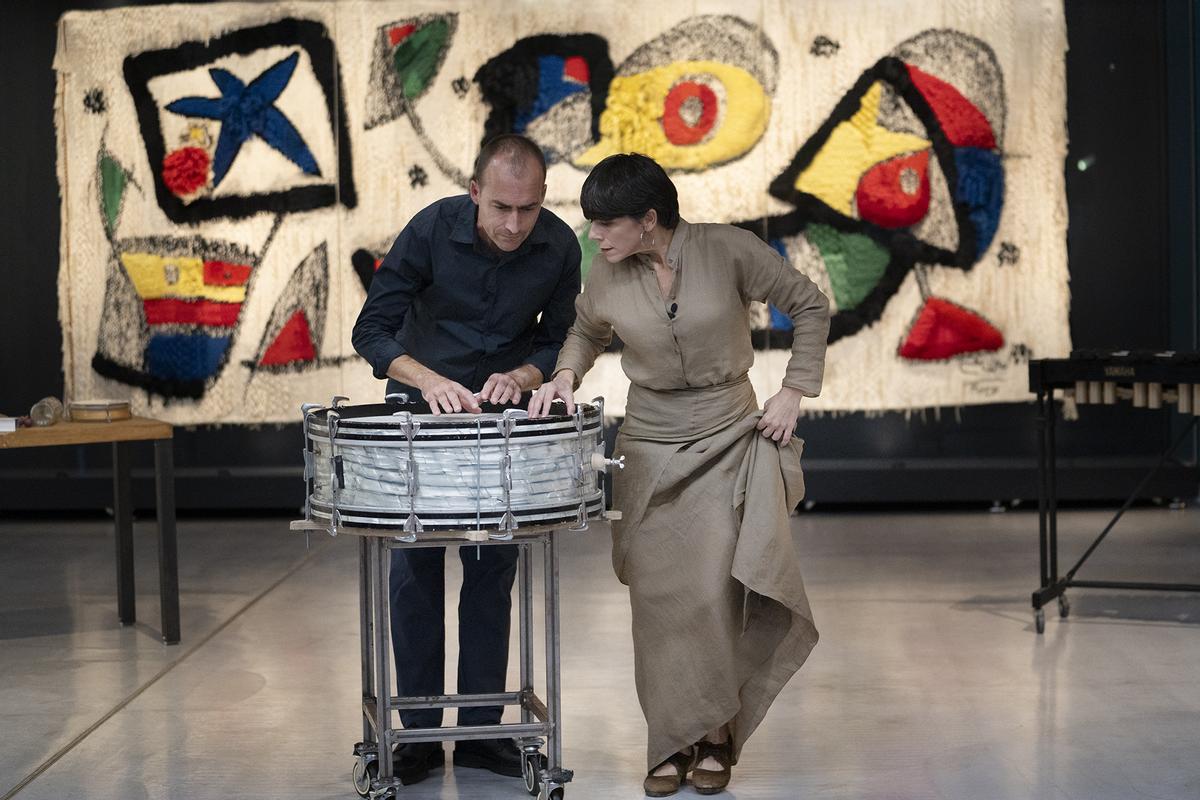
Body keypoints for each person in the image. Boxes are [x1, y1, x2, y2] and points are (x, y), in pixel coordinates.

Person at [529, 153, 829, 796]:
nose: (596, 236)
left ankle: (716, 733)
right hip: (650, 443)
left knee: (715, 589)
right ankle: (669, 739)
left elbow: (808, 305)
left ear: (649, 218)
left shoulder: (728, 251)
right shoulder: (605, 274)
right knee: (659, 598)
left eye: (607, 224)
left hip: (729, 434)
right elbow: (585, 331)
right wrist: (563, 376)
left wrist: (792, 391)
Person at [352, 134, 580, 785]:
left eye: (528, 209)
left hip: (501, 423)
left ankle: (481, 733)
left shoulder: (560, 245)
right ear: (475, 192)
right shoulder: (428, 231)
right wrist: (427, 381)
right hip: (420, 415)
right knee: (414, 574)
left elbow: (561, 337)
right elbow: (372, 331)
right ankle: (419, 737)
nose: (514, 225)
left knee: (492, 572)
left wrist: (526, 375)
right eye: (502, 207)